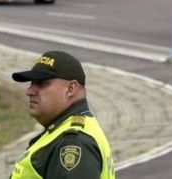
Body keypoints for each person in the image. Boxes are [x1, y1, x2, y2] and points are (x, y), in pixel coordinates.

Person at [10, 51, 115, 179]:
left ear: (70, 89)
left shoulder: (73, 143)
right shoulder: (63, 131)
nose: (29, 91)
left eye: (42, 84)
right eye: (32, 83)